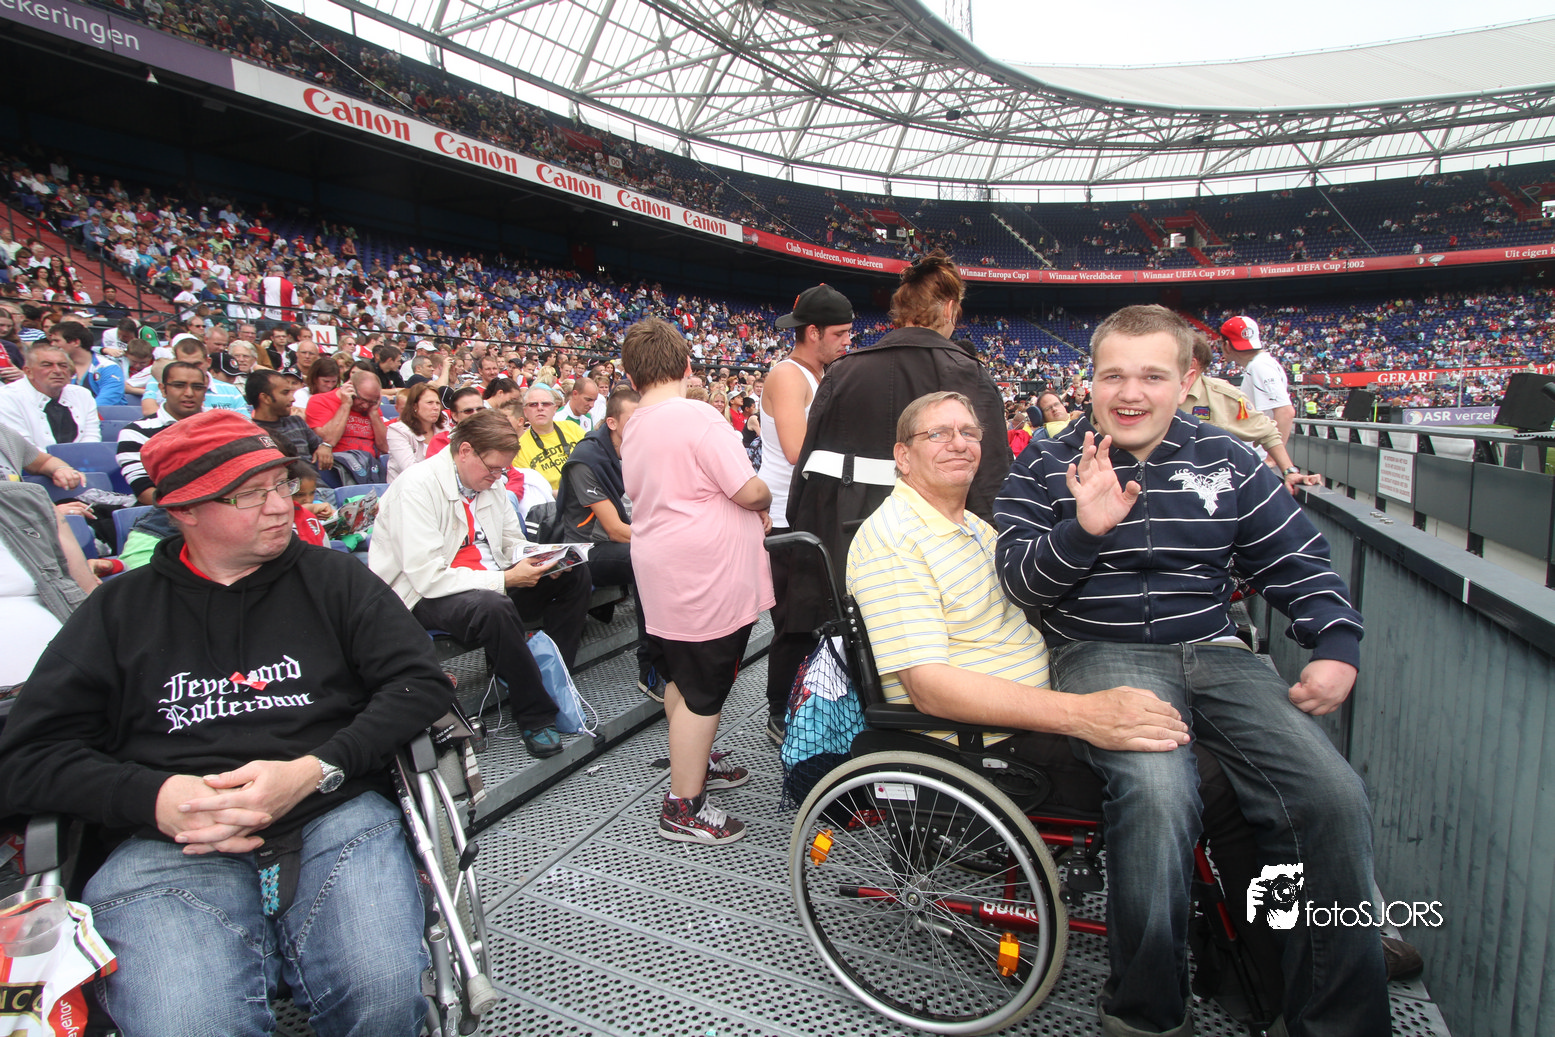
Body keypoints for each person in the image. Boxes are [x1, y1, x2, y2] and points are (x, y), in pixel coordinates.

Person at [994, 304, 1387, 1037]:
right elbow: (1019, 582)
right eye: (1113, 375)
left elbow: (1296, 559)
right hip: (1100, 650)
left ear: (1187, 382)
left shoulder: (1229, 457)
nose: (1129, 392)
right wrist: (1082, 530)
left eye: (1151, 375)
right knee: (1158, 794)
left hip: (1218, 652)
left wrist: (1336, 643)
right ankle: (1145, 1015)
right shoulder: (1044, 462)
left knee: (1333, 796)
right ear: (1089, 380)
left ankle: (1335, 1020)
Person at [0, 409, 453, 1036]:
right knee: (186, 1022)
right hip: (167, 842)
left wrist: (315, 769)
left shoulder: (335, 580)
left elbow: (419, 684)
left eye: (282, 484)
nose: (281, 505)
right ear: (185, 509)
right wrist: (154, 798)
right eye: (250, 494)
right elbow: (26, 757)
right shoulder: (118, 611)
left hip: (331, 810)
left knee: (380, 993)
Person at [785, 252, 1011, 696]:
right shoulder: (970, 374)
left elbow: (806, 478)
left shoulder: (842, 371)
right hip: (939, 560)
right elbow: (991, 485)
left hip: (846, 549)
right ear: (950, 309)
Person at [619, 319, 772, 845]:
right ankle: (683, 805)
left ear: (632, 376)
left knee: (683, 677)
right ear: (687, 366)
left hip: (662, 566)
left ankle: (694, 761)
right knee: (705, 687)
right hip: (704, 573)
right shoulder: (697, 415)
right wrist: (766, 496)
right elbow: (747, 489)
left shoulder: (635, 422)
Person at [369, 410, 592, 760]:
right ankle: (535, 714)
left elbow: (510, 541)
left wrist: (543, 558)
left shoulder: (489, 481)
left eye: (503, 470)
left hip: (488, 579)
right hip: (425, 594)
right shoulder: (415, 488)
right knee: (493, 606)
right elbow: (428, 576)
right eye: (493, 469)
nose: (498, 477)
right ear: (465, 451)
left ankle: (546, 676)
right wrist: (506, 578)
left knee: (573, 574)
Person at [759, 284, 854, 744]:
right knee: (795, 622)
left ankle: (807, 703)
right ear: (812, 332)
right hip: (785, 517)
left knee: (819, 618)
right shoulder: (787, 374)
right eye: (839, 333)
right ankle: (780, 710)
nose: (847, 341)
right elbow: (799, 451)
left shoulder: (822, 374)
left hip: (811, 513)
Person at [552, 387, 646, 677]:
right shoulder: (587, 458)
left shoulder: (639, 450)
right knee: (647, 556)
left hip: (621, 537)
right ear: (612, 423)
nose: (640, 427)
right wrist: (665, 539)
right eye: (633, 420)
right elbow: (615, 530)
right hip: (586, 547)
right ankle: (653, 658)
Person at [1182, 335, 1319, 495]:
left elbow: (1267, 432)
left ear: (1192, 363)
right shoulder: (1156, 393)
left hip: (1201, 492)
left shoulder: (1221, 397)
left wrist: (1289, 471)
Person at [117, 361, 213, 505]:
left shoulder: (223, 426)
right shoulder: (135, 432)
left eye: (197, 387)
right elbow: (145, 493)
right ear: (163, 389)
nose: (189, 393)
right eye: (179, 385)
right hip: (170, 512)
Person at [0, 340, 102, 447]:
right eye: (47, 365)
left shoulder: (82, 394)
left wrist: (82, 455)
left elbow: (91, 437)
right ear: (29, 372)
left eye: (63, 365)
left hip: (81, 457)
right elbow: (24, 449)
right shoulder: (6, 397)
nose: (57, 371)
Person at [1219, 315, 1296, 452]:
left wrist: (1272, 459)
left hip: (1262, 454)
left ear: (1227, 345)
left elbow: (1286, 412)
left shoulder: (1259, 366)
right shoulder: (1260, 364)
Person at [306, 369, 388, 484]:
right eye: (362, 399)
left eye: (371, 401)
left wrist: (374, 413)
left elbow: (385, 447)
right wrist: (345, 405)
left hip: (368, 468)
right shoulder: (320, 401)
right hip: (336, 468)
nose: (365, 405)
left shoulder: (371, 407)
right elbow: (327, 440)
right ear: (350, 388)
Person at [514, 385, 583, 493]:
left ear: (555, 409)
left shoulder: (572, 428)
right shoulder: (519, 449)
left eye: (545, 404)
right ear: (525, 412)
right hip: (553, 500)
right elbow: (532, 492)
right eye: (533, 404)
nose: (540, 408)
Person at [386, 381, 449, 481]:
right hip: (407, 486)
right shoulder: (397, 431)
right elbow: (410, 470)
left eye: (437, 403)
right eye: (430, 403)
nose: (436, 407)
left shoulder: (446, 431)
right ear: (414, 406)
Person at [54, 319, 127, 406]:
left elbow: (108, 399)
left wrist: (81, 412)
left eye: (56, 341)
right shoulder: (57, 369)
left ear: (75, 342)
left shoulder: (107, 367)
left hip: (102, 414)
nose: (52, 344)